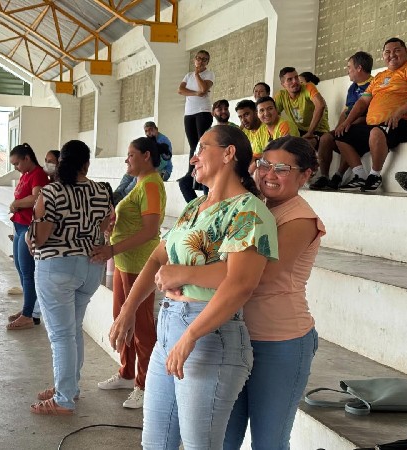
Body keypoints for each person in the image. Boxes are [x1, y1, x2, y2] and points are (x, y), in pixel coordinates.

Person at [109, 125, 279, 449]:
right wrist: (128, 310)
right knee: (155, 443)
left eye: (202, 148)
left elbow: (241, 282)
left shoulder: (248, 211)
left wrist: (190, 331)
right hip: (168, 328)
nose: (193, 158)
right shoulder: (193, 208)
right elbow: (157, 258)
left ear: (229, 154)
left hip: (209, 334)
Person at [155, 136, 324, 449]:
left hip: (279, 342)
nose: (269, 174)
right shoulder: (248, 206)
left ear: (305, 175)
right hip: (231, 334)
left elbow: (255, 276)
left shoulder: (300, 219)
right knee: (223, 439)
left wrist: (184, 274)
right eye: (265, 165)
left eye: (282, 169)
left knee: (268, 442)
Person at [29, 140, 112, 415]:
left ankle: (64, 398)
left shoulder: (51, 192)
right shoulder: (102, 190)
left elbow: (41, 238)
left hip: (57, 267)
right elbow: (103, 226)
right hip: (90, 268)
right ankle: (69, 387)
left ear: (61, 162)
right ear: (86, 164)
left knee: (61, 335)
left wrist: (31, 233)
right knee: (73, 330)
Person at [92, 137, 167, 409]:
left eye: (131, 155)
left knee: (142, 327)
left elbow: (149, 231)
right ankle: (127, 373)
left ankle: (145, 384)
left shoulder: (151, 185)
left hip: (140, 264)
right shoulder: (139, 183)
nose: (127, 160)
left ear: (146, 156)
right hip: (125, 262)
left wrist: (112, 249)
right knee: (122, 319)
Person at [335, 37, 407, 192]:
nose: (391, 55)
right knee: (341, 135)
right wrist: (347, 122)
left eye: (397, 50)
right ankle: (360, 175)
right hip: (377, 127)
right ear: (383, 55)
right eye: (387, 52)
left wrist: (400, 111)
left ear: (406, 51)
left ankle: (375, 175)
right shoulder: (380, 76)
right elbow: (363, 102)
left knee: (376, 131)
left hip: (406, 124)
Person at [310, 51, 374, 191]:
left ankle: (338, 176)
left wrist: (347, 125)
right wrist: (339, 126)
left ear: (359, 68)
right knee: (326, 138)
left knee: (346, 134)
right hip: (349, 125)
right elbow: (346, 111)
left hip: (365, 127)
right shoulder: (353, 87)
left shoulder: (374, 84)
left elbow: (370, 115)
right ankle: (324, 177)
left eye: (349, 67)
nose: (347, 71)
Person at [6, 143, 49, 330]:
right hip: (19, 225)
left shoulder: (38, 174)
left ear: (27, 158)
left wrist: (17, 203)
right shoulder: (25, 174)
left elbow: (36, 198)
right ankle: (28, 308)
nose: (16, 167)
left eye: (17, 163)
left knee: (27, 271)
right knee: (20, 267)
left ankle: (28, 314)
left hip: (28, 227)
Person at [177, 50, 214, 203]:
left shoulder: (209, 74)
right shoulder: (188, 75)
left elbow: (204, 89)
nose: (201, 61)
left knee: (201, 143)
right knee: (193, 144)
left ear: (207, 62)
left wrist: (198, 75)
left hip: (202, 111)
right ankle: (191, 171)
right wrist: (195, 93)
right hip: (189, 112)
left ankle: (202, 168)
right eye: (199, 58)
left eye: (204, 59)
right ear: (195, 60)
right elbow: (181, 90)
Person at [113, 122, 172, 205]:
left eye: (151, 130)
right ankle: (116, 194)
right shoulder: (148, 141)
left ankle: (123, 198)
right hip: (148, 168)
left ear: (156, 129)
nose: (148, 133)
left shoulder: (164, 142)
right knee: (128, 175)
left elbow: (163, 162)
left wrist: (143, 170)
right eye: (146, 131)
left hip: (163, 171)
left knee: (138, 176)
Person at [275, 67, 329, 149]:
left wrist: (310, 132)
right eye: (290, 79)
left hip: (318, 131)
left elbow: (320, 105)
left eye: (296, 77)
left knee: (301, 147)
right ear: (283, 84)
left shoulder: (308, 87)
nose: (295, 81)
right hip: (299, 131)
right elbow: (273, 114)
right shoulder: (281, 95)